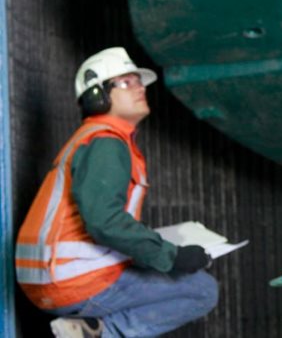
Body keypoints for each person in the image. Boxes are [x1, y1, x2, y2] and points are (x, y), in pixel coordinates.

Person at [15, 47, 218, 337]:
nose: (139, 89)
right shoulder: (106, 143)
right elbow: (105, 222)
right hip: (71, 282)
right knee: (202, 290)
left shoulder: (96, 140)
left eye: (138, 81)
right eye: (125, 83)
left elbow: (101, 223)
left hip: (49, 279)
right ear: (97, 97)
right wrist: (172, 257)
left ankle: (90, 328)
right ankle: (99, 333)